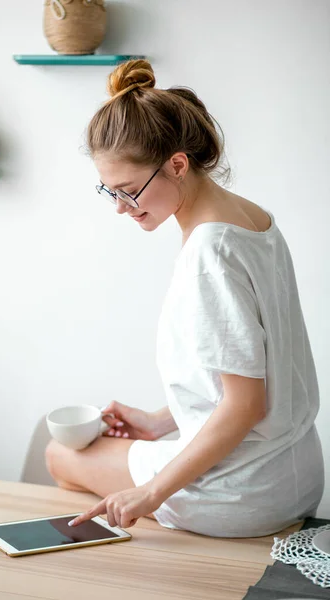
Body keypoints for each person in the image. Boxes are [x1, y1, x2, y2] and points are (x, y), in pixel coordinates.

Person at [45, 59, 324, 537]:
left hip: (243, 492)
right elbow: (257, 367)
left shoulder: (209, 252)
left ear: (177, 163)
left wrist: (151, 492)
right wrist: (158, 423)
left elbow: (244, 406)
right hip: (296, 470)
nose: (120, 208)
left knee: (60, 454)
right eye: (108, 191)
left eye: (129, 191)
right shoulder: (255, 220)